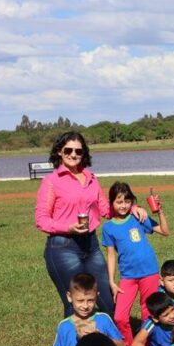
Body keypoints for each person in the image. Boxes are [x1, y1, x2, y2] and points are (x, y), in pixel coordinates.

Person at [35, 131, 147, 316]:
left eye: (78, 151)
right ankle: (74, 344)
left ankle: (117, 343)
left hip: (91, 245)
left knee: (109, 301)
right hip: (63, 247)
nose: (73, 155)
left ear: (83, 154)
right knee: (78, 304)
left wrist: (131, 207)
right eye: (68, 150)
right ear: (59, 152)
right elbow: (41, 219)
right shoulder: (51, 181)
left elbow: (105, 209)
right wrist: (68, 227)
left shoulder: (91, 178)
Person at [102, 181, 170, 346]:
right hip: (128, 276)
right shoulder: (108, 227)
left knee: (148, 312)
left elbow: (164, 231)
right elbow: (111, 255)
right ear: (111, 203)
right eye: (119, 202)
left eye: (127, 201)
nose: (123, 205)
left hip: (149, 272)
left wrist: (159, 211)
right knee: (120, 316)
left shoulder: (138, 217)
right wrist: (111, 281)